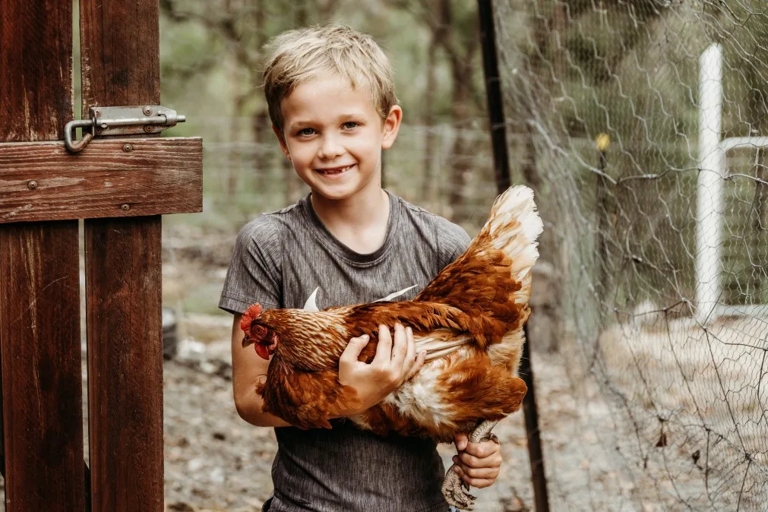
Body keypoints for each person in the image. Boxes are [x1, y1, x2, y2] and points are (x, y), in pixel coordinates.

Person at [219, 25, 503, 512]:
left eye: (349, 125)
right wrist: (347, 397)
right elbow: (249, 399)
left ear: (388, 125)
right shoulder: (269, 244)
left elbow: (471, 378)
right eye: (307, 131)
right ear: (282, 140)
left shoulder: (441, 244)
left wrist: (479, 448)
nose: (330, 148)